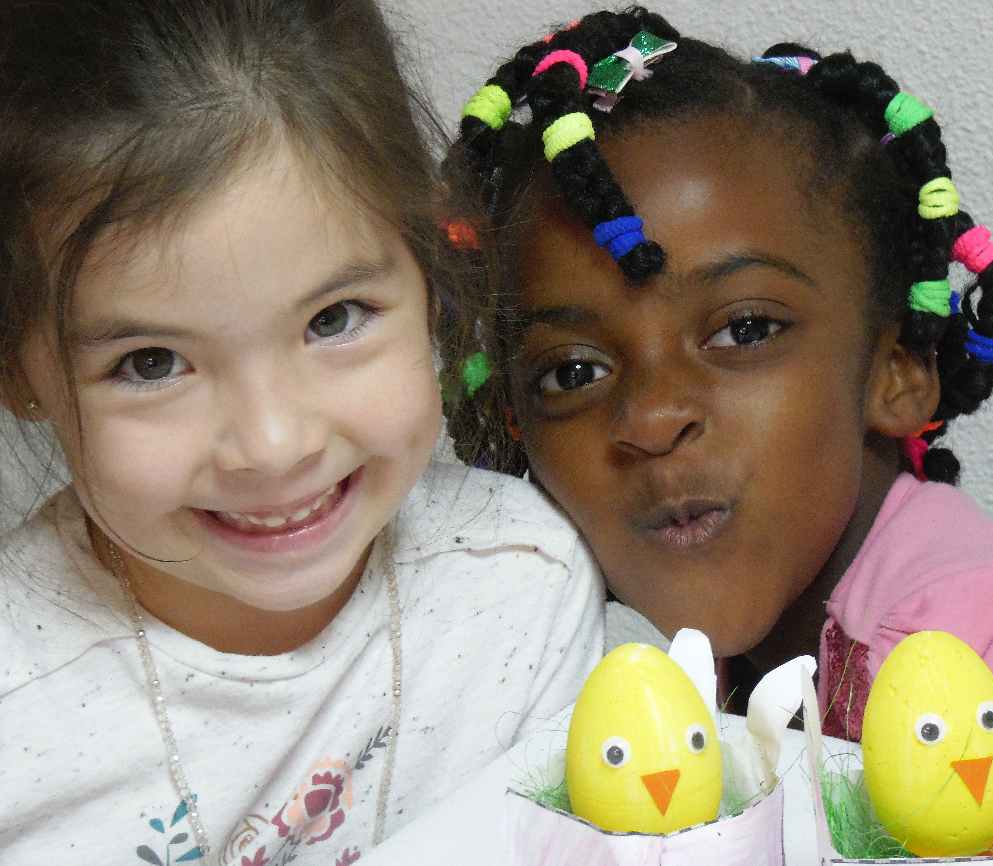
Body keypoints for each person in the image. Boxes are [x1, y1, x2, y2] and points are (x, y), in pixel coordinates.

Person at [442, 7, 993, 803]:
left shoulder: (983, 668)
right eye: (573, 372)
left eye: (744, 330)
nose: (650, 419)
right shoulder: (761, 661)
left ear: (896, 368)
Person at [0, 2, 602, 862]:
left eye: (334, 318)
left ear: (431, 273)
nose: (274, 445)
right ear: (18, 371)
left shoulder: (520, 588)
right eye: (151, 363)